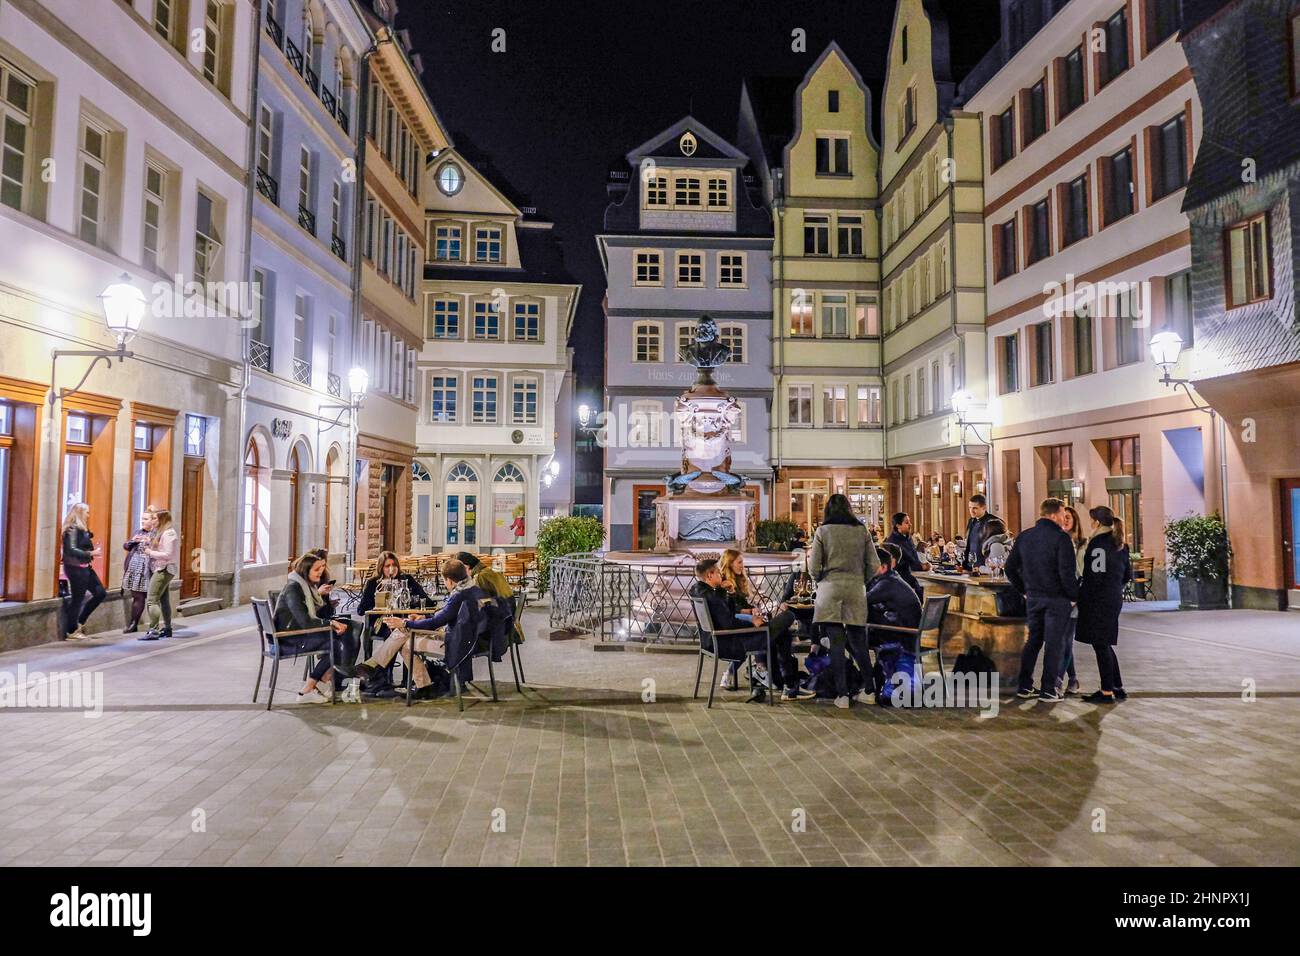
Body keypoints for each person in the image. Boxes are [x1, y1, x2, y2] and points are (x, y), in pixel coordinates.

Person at [688, 557, 815, 703]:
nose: (721, 575)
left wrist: (729, 593)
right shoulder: (711, 596)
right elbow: (728, 622)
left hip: (718, 640)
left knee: (782, 634)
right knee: (788, 616)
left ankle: (787, 685)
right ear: (709, 575)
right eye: (717, 572)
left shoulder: (701, 592)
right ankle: (789, 687)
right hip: (733, 642)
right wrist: (752, 622)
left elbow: (725, 616)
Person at [360, 559, 490, 700]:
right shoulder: (473, 589)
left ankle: (419, 684)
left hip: (457, 644)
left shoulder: (458, 596)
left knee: (405, 643)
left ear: (450, 580)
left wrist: (404, 623)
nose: (446, 585)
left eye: (444, 581)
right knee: (403, 634)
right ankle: (375, 667)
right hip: (468, 639)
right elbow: (444, 616)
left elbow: (435, 623)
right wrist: (421, 618)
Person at [1005, 498, 1080, 702]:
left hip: (1034, 597)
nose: (1064, 518)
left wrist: (1024, 590)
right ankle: (1048, 689)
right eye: (1063, 514)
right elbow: (1067, 573)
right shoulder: (1061, 539)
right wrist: (1074, 596)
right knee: (1054, 644)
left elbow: (1009, 568)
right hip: (1057, 600)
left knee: (1033, 641)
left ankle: (1024, 685)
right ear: (1054, 515)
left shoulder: (1025, 537)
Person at [810, 493, 880, 709]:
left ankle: (842, 695)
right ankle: (869, 689)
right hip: (855, 590)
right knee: (859, 643)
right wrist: (862, 580)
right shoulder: (862, 531)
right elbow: (875, 564)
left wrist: (821, 580)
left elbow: (813, 567)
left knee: (836, 645)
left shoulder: (822, 531)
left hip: (829, 590)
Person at [719, 549, 804, 701]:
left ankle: (776, 678)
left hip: (746, 624)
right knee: (787, 618)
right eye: (739, 562)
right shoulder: (725, 584)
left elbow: (741, 606)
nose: (742, 565)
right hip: (742, 628)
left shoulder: (737, 580)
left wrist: (752, 610)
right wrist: (750, 614)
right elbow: (731, 610)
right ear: (730, 564)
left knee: (782, 633)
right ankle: (784, 682)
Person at [274, 552, 359, 701]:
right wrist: (330, 623)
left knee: (342, 635)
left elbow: (312, 616)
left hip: (295, 634)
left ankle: (321, 684)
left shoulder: (305, 587)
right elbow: (305, 621)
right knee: (335, 642)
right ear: (305, 571)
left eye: (323, 567)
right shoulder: (294, 588)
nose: (321, 571)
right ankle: (313, 687)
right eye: (317, 568)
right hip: (288, 639)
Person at [1076, 506, 1132, 704]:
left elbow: (1094, 575)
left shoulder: (1098, 543)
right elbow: (1128, 576)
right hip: (1114, 598)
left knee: (1100, 645)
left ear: (1097, 522)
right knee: (1105, 642)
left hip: (1097, 599)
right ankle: (1117, 686)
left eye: (1092, 520)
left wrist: (1082, 596)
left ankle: (1106, 690)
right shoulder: (1121, 544)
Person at [1055, 506, 1087, 696]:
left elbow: (1084, 572)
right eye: (1062, 517)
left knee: (1065, 639)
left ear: (1075, 520)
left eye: (1068, 517)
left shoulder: (1083, 544)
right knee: (1063, 640)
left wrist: (1077, 595)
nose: (1065, 520)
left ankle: (1058, 680)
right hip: (1059, 596)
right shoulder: (1057, 541)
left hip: (1076, 597)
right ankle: (1073, 678)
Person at [61, 502, 105, 639]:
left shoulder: (81, 529)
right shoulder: (72, 529)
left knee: (100, 592)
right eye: (87, 512)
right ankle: (72, 631)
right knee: (77, 599)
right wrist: (90, 554)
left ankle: (80, 621)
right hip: (75, 568)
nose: (88, 515)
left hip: (85, 567)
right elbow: (71, 549)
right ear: (80, 513)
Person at [139, 508, 180, 640]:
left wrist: (150, 552)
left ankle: (154, 630)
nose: (152, 520)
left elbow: (168, 554)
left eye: (155, 518)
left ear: (162, 519)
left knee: (152, 600)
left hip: (164, 569)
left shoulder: (169, 534)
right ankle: (167, 628)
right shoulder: (161, 532)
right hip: (162, 568)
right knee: (163, 599)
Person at [867, 545, 923, 630]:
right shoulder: (893, 576)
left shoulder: (887, 583)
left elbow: (864, 598)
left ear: (883, 567)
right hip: (909, 629)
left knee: (865, 611)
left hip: (903, 632)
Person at [121, 509, 156, 634]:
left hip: (149, 568)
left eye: (146, 519)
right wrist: (132, 541)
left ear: (153, 520)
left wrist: (150, 542)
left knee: (152, 598)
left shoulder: (156, 533)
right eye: (142, 519)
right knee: (137, 596)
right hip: (135, 567)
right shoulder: (138, 532)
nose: (143, 521)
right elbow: (126, 546)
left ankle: (155, 625)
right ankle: (133, 623)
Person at [886, 512, 929, 602]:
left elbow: (914, 556)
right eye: (906, 522)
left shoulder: (908, 538)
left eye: (909, 522)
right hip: (901, 581)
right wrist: (922, 566)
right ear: (898, 525)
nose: (910, 524)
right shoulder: (893, 542)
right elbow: (909, 560)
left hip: (912, 579)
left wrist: (922, 565)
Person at [961, 495, 999, 571]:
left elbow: (998, 546)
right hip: (971, 566)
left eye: (975, 508)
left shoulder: (993, 522)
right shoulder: (971, 521)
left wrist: (986, 567)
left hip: (986, 567)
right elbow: (969, 544)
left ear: (984, 507)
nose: (971, 511)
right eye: (970, 508)